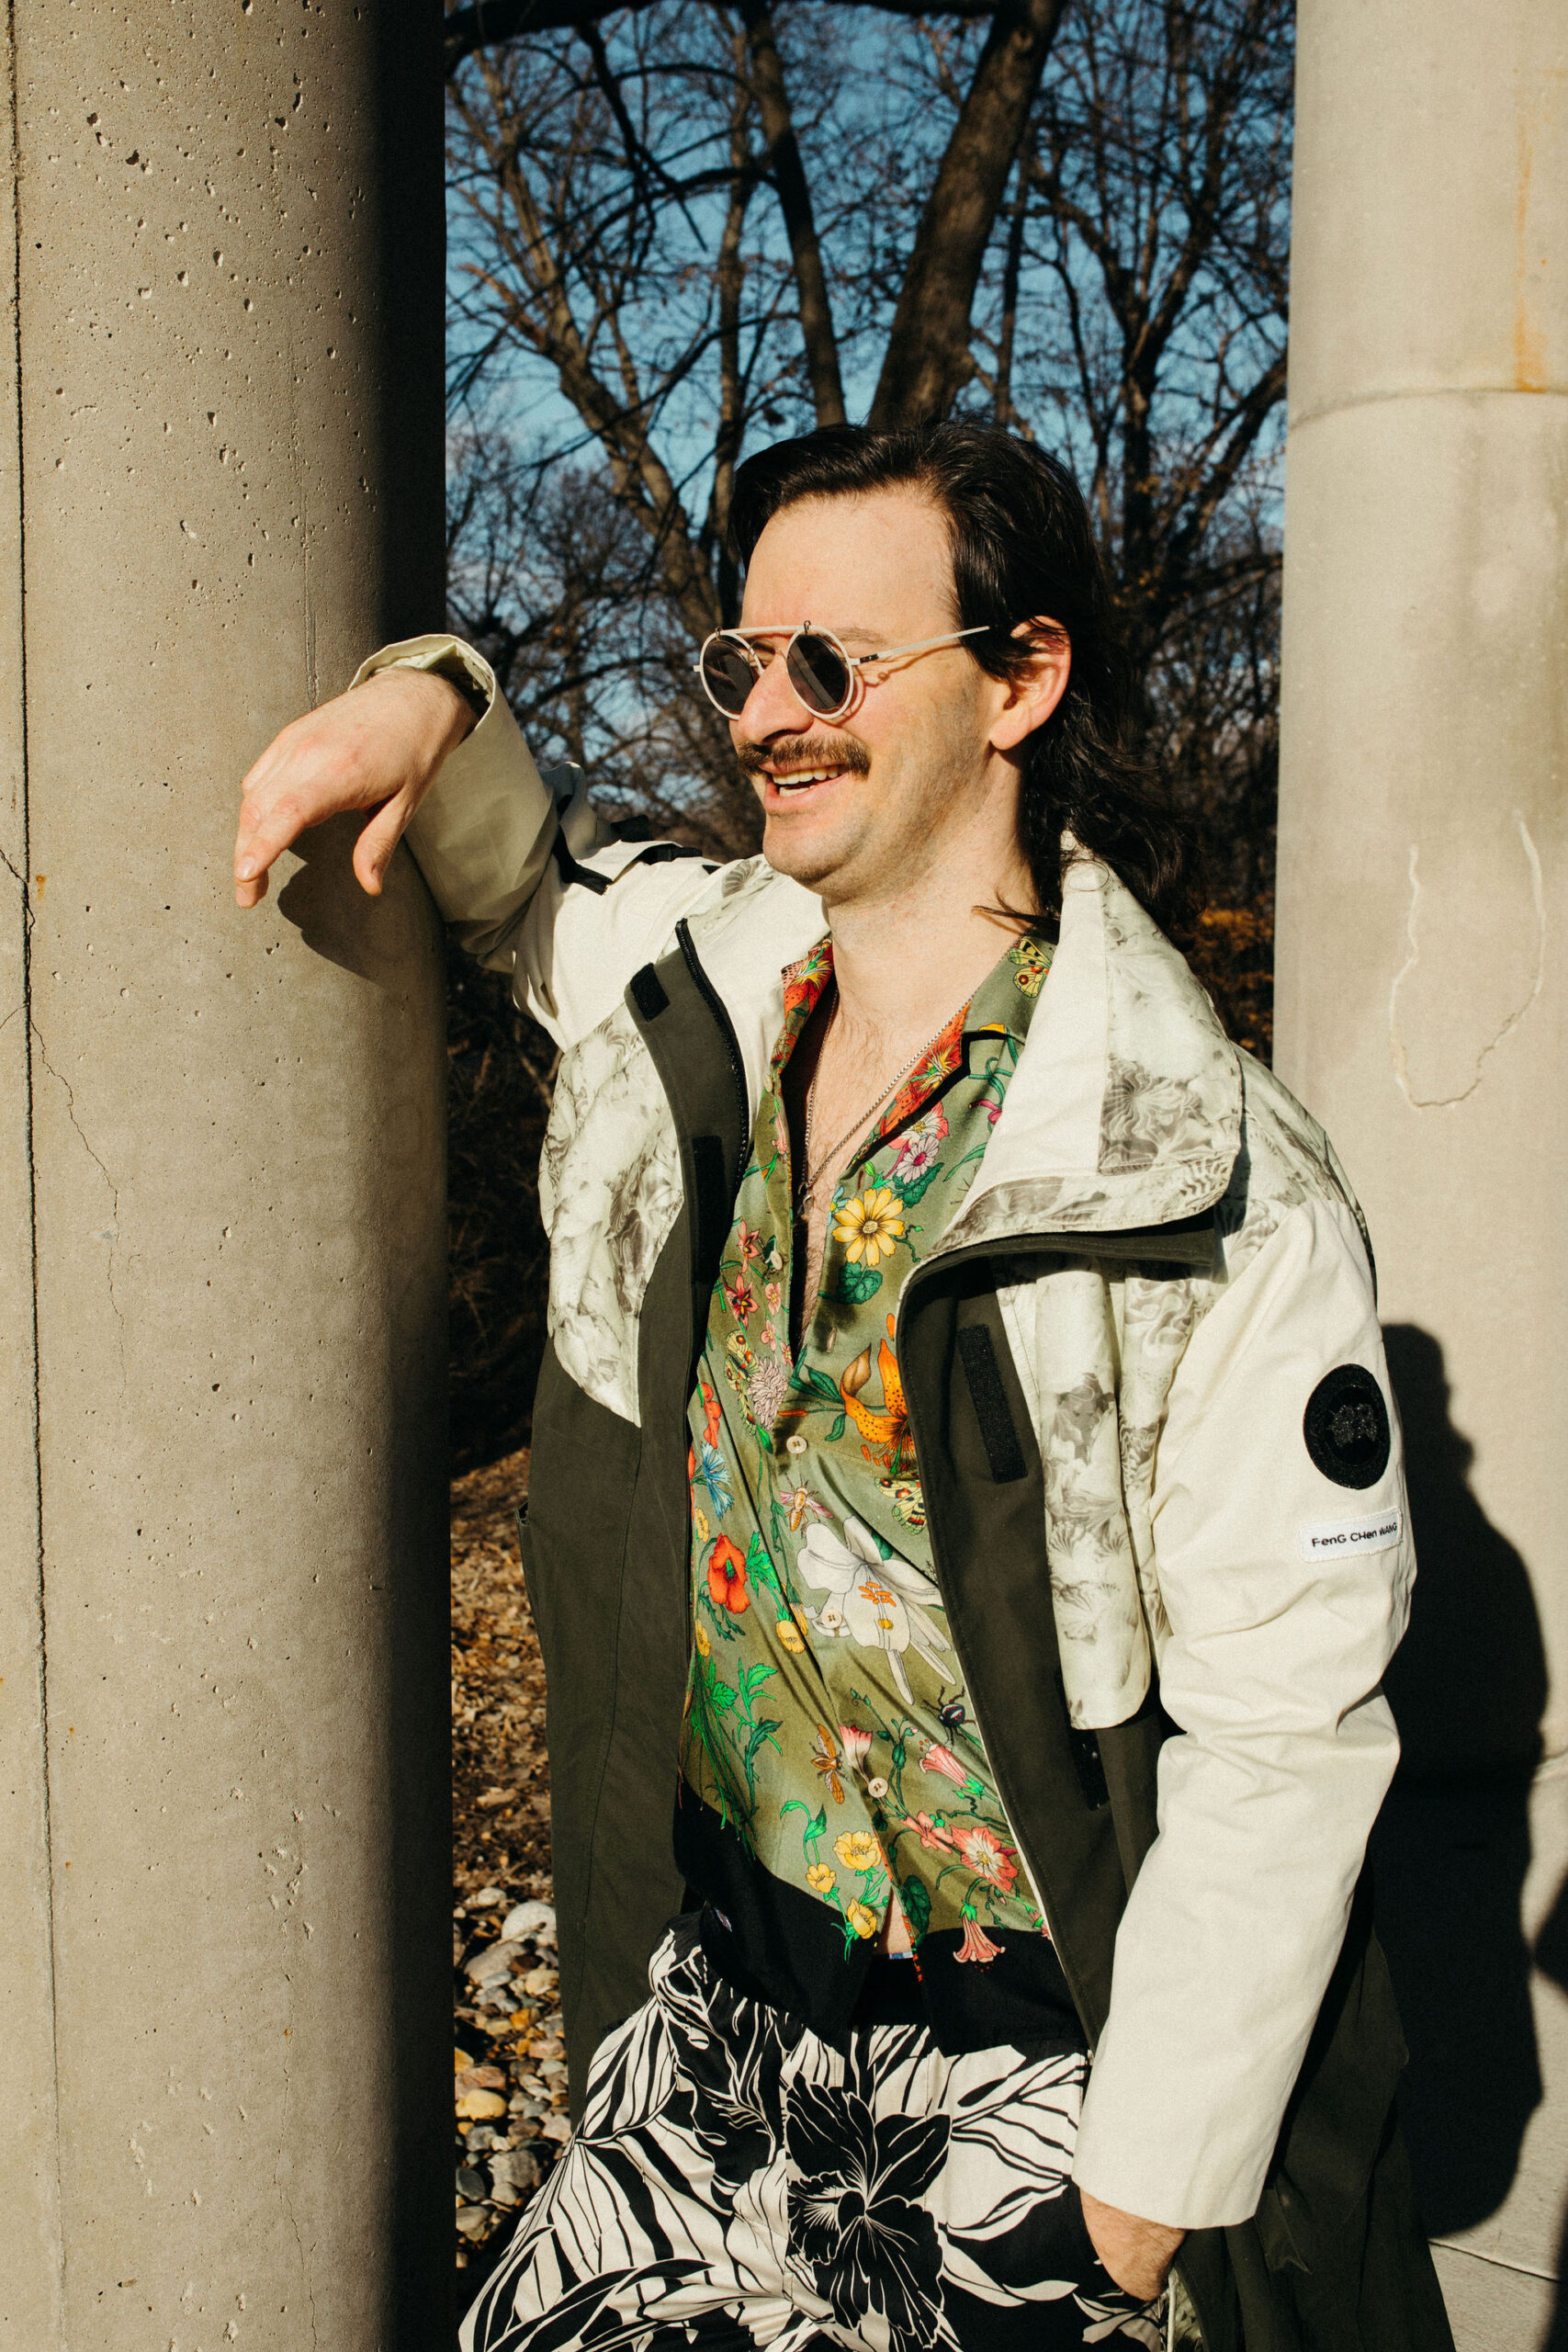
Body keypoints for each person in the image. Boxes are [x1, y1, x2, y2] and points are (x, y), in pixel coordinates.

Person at [234, 424, 1452, 2352]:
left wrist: (1129, 2208)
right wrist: (428, 704)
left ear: (1018, 680)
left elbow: (1285, 1736)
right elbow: (532, 888)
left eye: (835, 661)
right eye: (745, 659)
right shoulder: (711, 988)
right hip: (720, 2009)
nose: (765, 717)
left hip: (1034, 2077)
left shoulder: (1206, 1180)